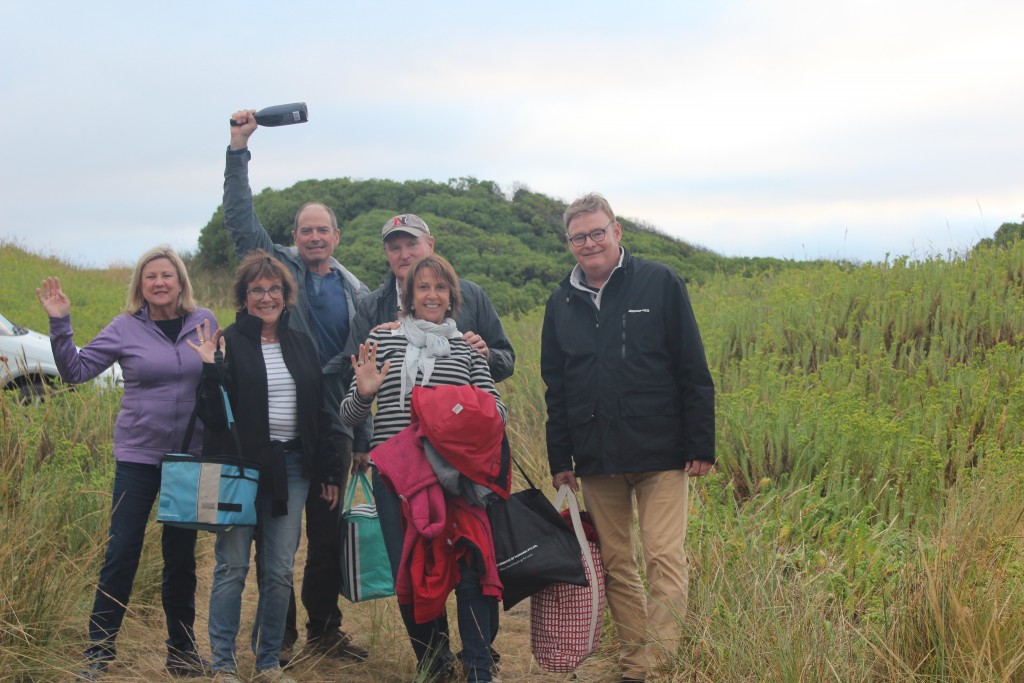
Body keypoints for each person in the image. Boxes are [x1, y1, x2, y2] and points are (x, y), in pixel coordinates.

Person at [541, 194, 715, 683]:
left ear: (617, 231)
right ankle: (635, 663)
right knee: (617, 565)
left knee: (664, 558)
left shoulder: (659, 282)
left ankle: (657, 665)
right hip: (597, 456)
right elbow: (557, 386)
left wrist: (701, 443)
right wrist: (562, 459)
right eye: (579, 237)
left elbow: (692, 366)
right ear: (569, 243)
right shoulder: (561, 302)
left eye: (598, 232)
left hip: (662, 451)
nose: (590, 243)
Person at [224, 109, 370, 661]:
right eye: (304, 229)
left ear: (336, 235)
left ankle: (324, 629)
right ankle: (277, 638)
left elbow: (370, 365)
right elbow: (240, 220)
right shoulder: (278, 276)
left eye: (322, 228)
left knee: (328, 535)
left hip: (337, 424)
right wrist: (239, 148)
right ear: (294, 237)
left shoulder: (358, 290)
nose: (313, 236)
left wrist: (360, 438)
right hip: (282, 425)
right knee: (274, 542)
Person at [36, 246, 216, 681]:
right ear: (140, 285)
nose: (159, 283)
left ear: (180, 282)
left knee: (180, 559)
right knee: (121, 554)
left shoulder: (205, 321)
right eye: (150, 276)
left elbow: (223, 377)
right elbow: (76, 372)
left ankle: (182, 653)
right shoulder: (124, 328)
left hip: (191, 459)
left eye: (166, 275)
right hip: (137, 457)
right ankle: (98, 653)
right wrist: (61, 324)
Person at [341, 255, 506, 683]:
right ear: (408, 296)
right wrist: (364, 394)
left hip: (458, 479)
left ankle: (477, 667)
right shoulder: (382, 339)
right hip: (397, 478)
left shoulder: (467, 349)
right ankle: (433, 664)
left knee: (470, 569)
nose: (432, 295)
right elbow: (348, 414)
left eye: (440, 288)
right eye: (422, 288)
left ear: (453, 296)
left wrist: (452, 416)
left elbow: (496, 412)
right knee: (411, 575)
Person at [187, 250, 344, 683]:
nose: (266, 297)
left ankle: (269, 660)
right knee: (232, 566)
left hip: (292, 467)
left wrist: (329, 472)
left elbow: (320, 414)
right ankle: (222, 664)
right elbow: (213, 419)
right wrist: (210, 369)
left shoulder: (301, 343)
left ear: (285, 294)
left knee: (278, 570)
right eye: (257, 290)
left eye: (274, 288)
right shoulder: (228, 341)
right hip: (240, 470)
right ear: (244, 296)